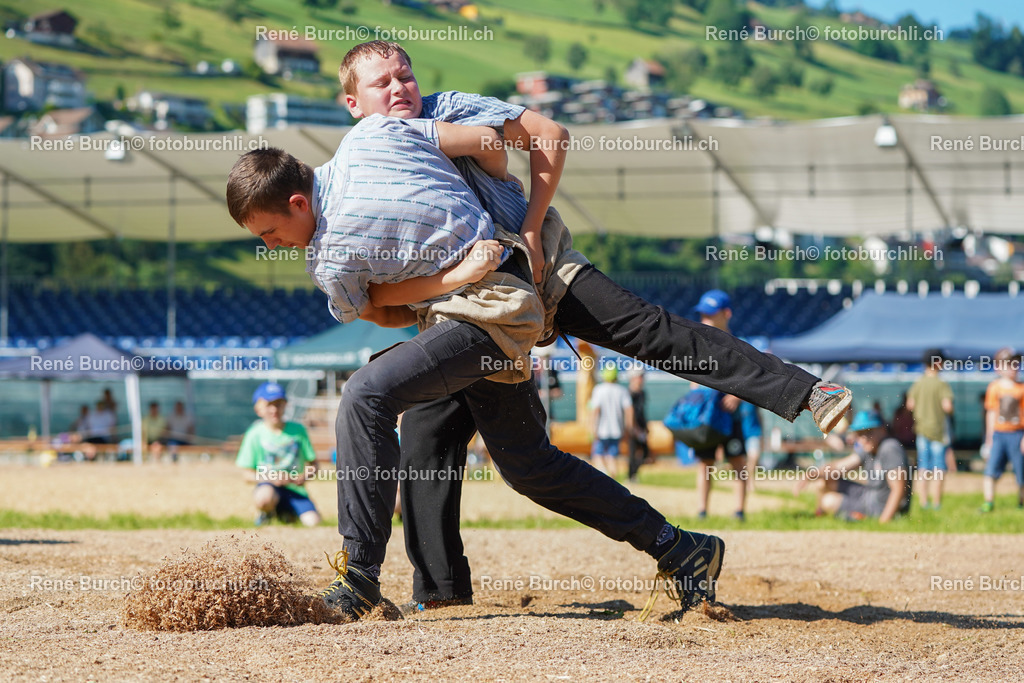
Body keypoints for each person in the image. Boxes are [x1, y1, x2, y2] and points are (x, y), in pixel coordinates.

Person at [226, 53, 851, 622]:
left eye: (404, 76)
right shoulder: (362, 176)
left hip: (538, 268)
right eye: (381, 84)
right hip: (467, 312)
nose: (399, 89)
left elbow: (545, 136)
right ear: (353, 104)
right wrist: (452, 274)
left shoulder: (441, 114)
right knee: (470, 451)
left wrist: (523, 221)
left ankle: (807, 393)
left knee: (652, 334)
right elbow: (375, 303)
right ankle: (458, 591)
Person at [692, 290, 756, 521]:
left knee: (737, 461)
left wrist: (737, 396)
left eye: (710, 314)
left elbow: (750, 379)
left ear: (726, 313)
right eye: (703, 314)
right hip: (707, 416)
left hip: (731, 416)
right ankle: (702, 511)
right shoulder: (698, 344)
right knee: (705, 463)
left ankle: (739, 511)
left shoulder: (740, 345)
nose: (705, 319)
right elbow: (692, 379)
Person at [798, 410, 910, 523]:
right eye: (860, 433)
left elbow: (898, 490)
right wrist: (812, 474)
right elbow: (838, 467)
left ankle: (858, 517)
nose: (864, 437)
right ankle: (820, 515)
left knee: (829, 501)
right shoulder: (869, 448)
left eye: (869, 431)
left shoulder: (890, 448)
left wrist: (883, 522)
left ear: (882, 430)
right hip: (869, 496)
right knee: (824, 480)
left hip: (879, 506)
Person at [235, 382, 321, 527]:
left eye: (279, 404)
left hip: (295, 489)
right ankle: (267, 512)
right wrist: (271, 478)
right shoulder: (254, 433)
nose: (274, 409)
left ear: (285, 405)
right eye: (269, 404)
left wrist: (302, 477)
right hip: (269, 488)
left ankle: (288, 514)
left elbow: (314, 464)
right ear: (258, 408)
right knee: (264, 497)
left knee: (313, 522)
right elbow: (247, 474)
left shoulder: (298, 430)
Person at [907, 349, 953, 510]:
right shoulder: (941, 384)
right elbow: (947, 406)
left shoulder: (918, 382)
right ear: (938, 362)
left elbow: (910, 404)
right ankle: (936, 503)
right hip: (938, 432)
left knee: (923, 467)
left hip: (921, 430)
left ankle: (923, 502)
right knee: (939, 468)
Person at [980, 347, 1024, 512]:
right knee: (990, 470)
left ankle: (1021, 502)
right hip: (999, 434)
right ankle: (988, 502)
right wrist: (988, 439)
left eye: (1016, 364)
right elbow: (991, 414)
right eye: (1009, 364)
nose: (1013, 367)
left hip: (1018, 434)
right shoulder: (994, 388)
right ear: (999, 367)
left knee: (1021, 472)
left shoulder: (1022, 388)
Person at [588, 365, 633, 478]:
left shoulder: (598, 389)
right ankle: (613, 479)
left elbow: (595, 410)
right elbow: (629, 410)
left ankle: (604, 473)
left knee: (597, 454)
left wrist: (593, 427)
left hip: (601, 429)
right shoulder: (622, 390)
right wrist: (628, 427)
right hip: (617, 429)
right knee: (612, 456)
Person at [626, 369, 650, 482]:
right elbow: (630, 413)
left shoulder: (642, 393)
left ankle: (634, 474)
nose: (641, 380)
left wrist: (645, 427)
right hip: (633, 427)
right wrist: (633, 428)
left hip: (641, 427)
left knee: (645, 453)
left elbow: (642, 412)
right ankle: (631, 476)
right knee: (632, 452)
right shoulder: (629, 394)